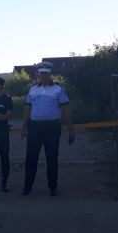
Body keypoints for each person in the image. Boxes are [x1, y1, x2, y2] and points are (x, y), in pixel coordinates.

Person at [21, 61, 75, 196]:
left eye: (46, 73)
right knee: (30, 158)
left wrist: (71, 129)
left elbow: (66, 109)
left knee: (52, 158)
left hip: (52, 128)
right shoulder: (32, 89)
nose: (44, 76)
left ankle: (52, 187)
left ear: (50, 74)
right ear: (37, 74)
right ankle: (27, 187)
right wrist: (23, 127)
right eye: (41, 73)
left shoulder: (59, 89)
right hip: (34, 127)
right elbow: (27, 108)